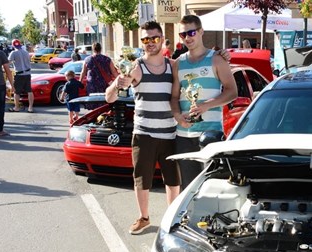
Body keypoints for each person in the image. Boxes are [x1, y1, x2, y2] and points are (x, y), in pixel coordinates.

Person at [105, 21, 181, 235]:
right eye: (145, 39)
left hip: (170, 132)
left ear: (163, 40)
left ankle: (171, 218)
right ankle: (144, 217)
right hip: (144, 133)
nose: (150, 43)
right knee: (142, 179)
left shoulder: (173, 66)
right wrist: (117, 84)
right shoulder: (135, 67)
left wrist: (222, 55)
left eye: (154, 38)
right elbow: (109, 98)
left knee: (173, 180)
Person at [171, 15, 238, 191]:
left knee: (212, 188)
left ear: (201, 32)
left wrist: (207, 105)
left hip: (211, 134)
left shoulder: (216, 59)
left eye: (191, 32)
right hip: (184, 135)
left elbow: (232, 91)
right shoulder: (178, 63)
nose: (187, 37)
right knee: (187, 189)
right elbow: (173, 97)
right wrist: (178, 116)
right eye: (183, 34)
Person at [81, 42, 118, 108]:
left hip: (92, 84)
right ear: (101, 49)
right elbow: (114, 72)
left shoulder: (87, 59)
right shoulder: (107, 59)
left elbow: (83, 72)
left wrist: (80, 82)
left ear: (93, 49)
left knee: (93, 102)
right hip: (104, 84)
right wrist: (120, 79)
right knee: (104, 103)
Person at [7, 39, 34, 113]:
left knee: (17, 92)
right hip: (28, 73)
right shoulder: (26, 52)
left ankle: (16, 107)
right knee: (29, 91)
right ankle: (30, 107)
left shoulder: (13, 53)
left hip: (19, 74)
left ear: (13, 45)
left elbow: (8, 63)